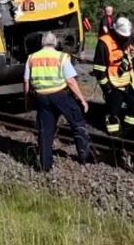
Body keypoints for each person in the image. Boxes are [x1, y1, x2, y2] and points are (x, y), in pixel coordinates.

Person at [24, 32, 92, 172]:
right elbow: (71, 81)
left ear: (42, 43)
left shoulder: (32, 58)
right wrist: (82, 99)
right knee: (77, 122)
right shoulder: (61, 57)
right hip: (60, 95)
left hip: (41, 97)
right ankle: (84, 156)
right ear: (55, 43)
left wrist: (28, 100)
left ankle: (45, 166)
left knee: (45, 131)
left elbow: (26, 81)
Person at [91, 17, 134, 136]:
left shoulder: (127, 38)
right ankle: (114, 137)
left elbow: (131, 53)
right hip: (113, 84)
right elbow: (99, 70)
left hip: (128, 82)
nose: (126, 38)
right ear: (116, 31)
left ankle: (126, 131)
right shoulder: (104, 42)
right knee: (113, 112)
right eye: (123, 36)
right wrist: (107, 88)